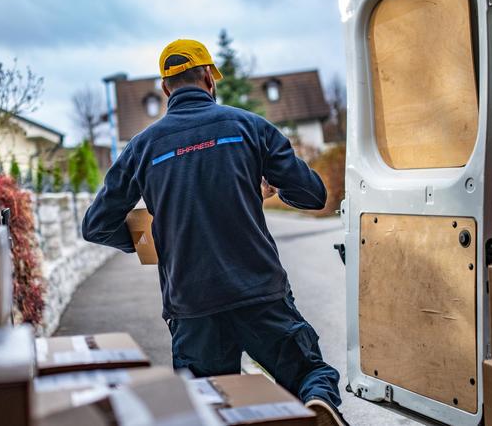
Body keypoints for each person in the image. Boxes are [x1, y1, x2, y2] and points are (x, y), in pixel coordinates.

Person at [82, 39, 347, 426]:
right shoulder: (249, 127)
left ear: (166, 88)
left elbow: (96, 225)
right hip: (259, 291)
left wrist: (152, 240)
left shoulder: (141, 148)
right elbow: (312, 194)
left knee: (208, 407)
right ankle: (317, 402)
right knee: (309, 374)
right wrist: (271, 188)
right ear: (209, 77)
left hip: (192, 305)